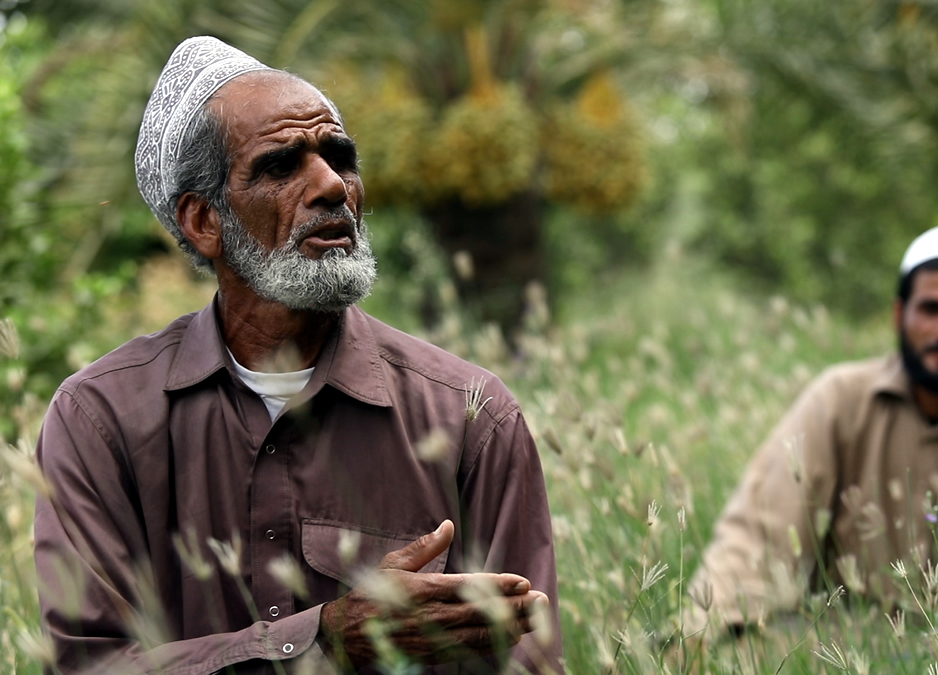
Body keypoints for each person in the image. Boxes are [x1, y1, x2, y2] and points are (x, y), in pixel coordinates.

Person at [33, 36, 562, 674]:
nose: (333, 186)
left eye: (340, 157)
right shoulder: (101, 420)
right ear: (204, 221)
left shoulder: (472, 415)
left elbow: (527, 660)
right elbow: (91, 667)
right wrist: (327, 639)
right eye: (283, 165)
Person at [686, 224, 938, 636]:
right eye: (932, 308)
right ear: (900, 314)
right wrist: (701, 641)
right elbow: (754, 541)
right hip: (841, 651)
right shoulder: (837, 402)